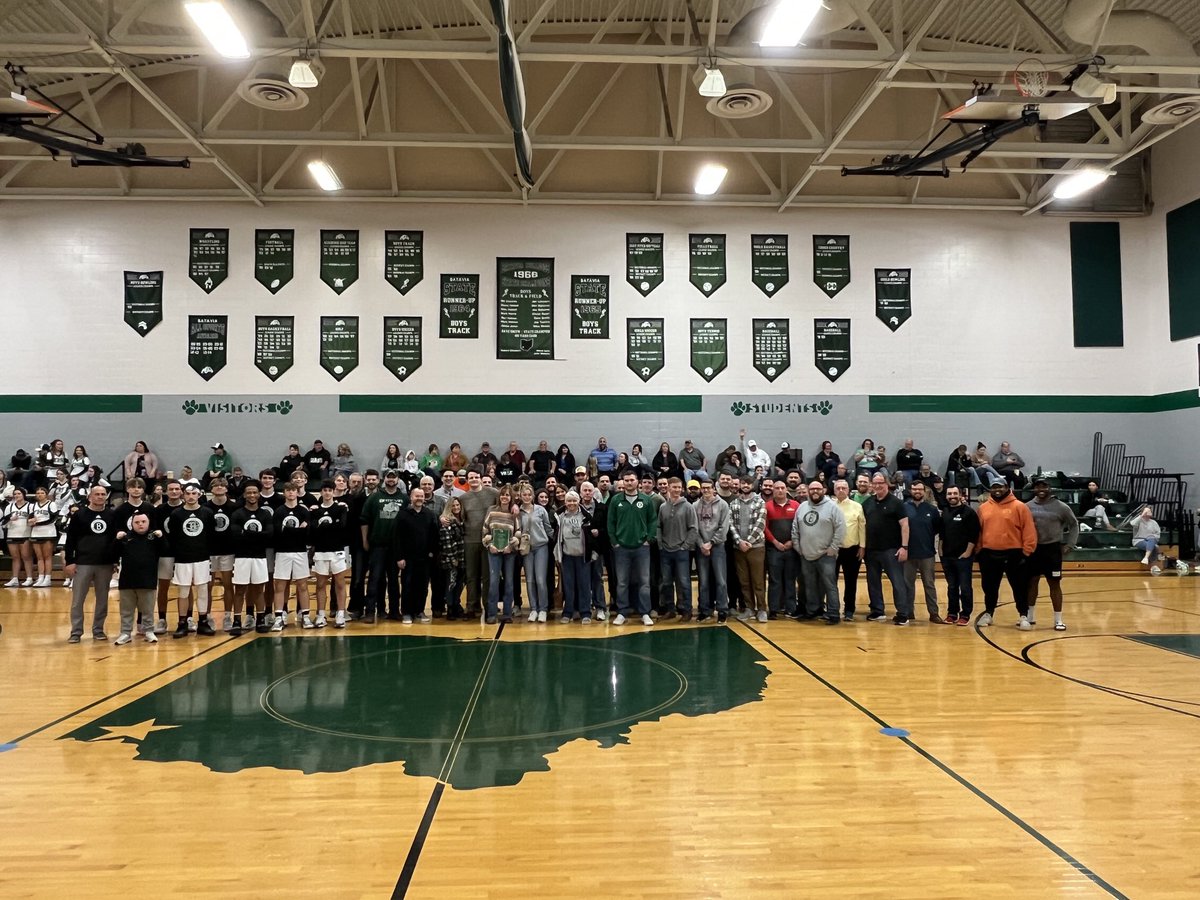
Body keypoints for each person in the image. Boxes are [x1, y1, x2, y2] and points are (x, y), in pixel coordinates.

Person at [976, 475, 1038, 629]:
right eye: (994, 487)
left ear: (1006, 487)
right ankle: (989, 613)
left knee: (1019, 587)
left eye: (1000, 487)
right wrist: (979, 551)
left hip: (1014, 554)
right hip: (989, 553)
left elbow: (1029, 530)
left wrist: (1027, 551)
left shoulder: (1020, 506)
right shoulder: (983, 508)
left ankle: (1023, 615)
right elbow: (978, 531)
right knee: (989, 587)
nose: (997, 490)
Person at [63, 484, 117, 643]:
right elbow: (70, 540)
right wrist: (70, 561)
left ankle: (98, 630)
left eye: (103, 494)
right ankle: (76, 632)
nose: (100, 497)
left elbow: (115, 540)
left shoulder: (112, 515)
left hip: (105, 564)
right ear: (90, 497)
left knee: (102, 599)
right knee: (78, 600)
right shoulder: (79, 515)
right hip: (83, 563)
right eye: (97, 494)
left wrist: (114, 560)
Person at [1025, 476, 1079, 632]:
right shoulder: (1027, 506)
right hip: (1034, 549)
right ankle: (1030, 617)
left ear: (1050, 488)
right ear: (1034, 488)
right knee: (1032, 582)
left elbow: (1074, 524)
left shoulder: (1061, 507)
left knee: (1054, 584)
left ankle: (1058, 619)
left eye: (1044, 486)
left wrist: (1070, 544)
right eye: (1038, 486)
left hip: (1052, 550)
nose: (1041, 489)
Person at [607, 469, 657, 627]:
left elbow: (653, 521)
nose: (629, 483)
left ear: (638, 482)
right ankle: (622, 612)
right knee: (622, 582)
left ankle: (645, 613)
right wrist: (615, 541)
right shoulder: (616, 500)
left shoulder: (646, 500)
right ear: (623, 482)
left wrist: (648, 539)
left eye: (632, 480)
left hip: (642, 548)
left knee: (644, 582)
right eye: (626, 480)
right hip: (621, 548)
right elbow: (611, 522)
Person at [792, 479, 846, 624]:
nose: (815, 491)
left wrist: (833, 548)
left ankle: (833, 613)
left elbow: (840, 529)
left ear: (824, 490)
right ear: (808, 491)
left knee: (829, 585)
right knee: (809, 585)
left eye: (818, 489)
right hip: (806, 554)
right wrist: (798, 547)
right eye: (812, 489)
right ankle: (813, 610)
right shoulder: (802, 506)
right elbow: (795, 529)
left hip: (825, 555)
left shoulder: (833, 507)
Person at [862, 473, 912, 626]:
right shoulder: (868, 503)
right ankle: (877, 610)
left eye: (880, 483)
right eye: (875, 483)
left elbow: (905, 525)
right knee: (873, 582)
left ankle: (903, 613)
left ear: (886, 484)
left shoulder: (896, 503)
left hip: (891, 550)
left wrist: (904, 547)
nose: (877, 486)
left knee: (897, 582)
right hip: (871, 550)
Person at [168, 484, 217, 638]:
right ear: (183, 495)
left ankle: (203, 621)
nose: (190, 496)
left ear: (199, 494)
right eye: (188, 493)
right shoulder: (176, 514)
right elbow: (173, 536)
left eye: (193, 493)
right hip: (183, 559)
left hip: (202, 558)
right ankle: (182, 623)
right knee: (183, 591)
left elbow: (211, 535)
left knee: (202, 589)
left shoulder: (207, 513)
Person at [360, 469, 407, 622]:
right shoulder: (374, 498)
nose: (391, 480)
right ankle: (370, 611)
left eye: (394, 477)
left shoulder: (404, 499)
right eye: (388, 477)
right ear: (384, 479)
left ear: (398, 479)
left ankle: (394, 611)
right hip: (377, 545)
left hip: (397, 547)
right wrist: (365, 540)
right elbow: (364, 520)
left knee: (394, 581)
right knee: (374, 579)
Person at [113, 511, 163, 645]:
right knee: (126, 610)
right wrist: (117, 540)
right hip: (127, 581)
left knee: (147, 609)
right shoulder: (125, 537)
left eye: (143, 522)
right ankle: (125, 633)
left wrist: (161, 537)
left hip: (147, 580)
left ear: (148, 523)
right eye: (137, 522)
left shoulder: (154, 537)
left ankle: (149, 631)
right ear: (132, 524)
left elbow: (166, 549)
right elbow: (112, 553)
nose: (140, 524)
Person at [231, 481, 274, 635]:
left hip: (259, 557)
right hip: (242, 557)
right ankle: (237, 621)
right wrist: (258, 536)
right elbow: (235, 535)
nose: (252, 495)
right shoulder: (237, 514)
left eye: (255, 492)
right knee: (240, 589)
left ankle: (260, 619)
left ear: (259, 494)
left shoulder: (265, 514)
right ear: (244, 494)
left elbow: (269, 535)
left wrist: (246, 533)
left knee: (258, 590)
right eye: (249, 492)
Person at [394, 487, 439, 624]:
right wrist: (399, 557)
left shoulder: (429, 514)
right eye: (416, 496)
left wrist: (432, 552)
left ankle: (419, 611)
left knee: (423, 586)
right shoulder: (402, 514)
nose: (419, 498)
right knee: (407, 585)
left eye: (421, 496)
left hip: (424, 558)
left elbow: (434, 536)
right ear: (411, 497)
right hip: (407, 558)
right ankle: (407, 612)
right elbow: (397, 537)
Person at [459, 469, 499, 620]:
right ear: (467, 480)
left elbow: (505, 503)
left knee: (487, 577)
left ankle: (489, 608)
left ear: (481, 479)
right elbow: (458, 516)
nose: (474, 479)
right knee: (471, 576)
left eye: (476, 477)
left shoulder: (493, 493)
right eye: (471, 478)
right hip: (470, 540)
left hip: (488, 541)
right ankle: (471, 607)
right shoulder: (463, 498)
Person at [309, 479, 349, 627]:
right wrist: (332, 526)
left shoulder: (340, 508)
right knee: (320, 584)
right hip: (320, 551)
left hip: (337, 550)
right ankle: (320, 614)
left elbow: (342, 526)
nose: (327, 492)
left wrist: (324, 528)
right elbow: (313, 530)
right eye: (324, 490)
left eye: (329, 490)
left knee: (339, 583)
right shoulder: (315, 510)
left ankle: (340, 614)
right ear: (321, 492)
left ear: (333, 492)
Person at [657, 476, 698, 620]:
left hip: (681, 551)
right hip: (666, 551)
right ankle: (670, 609)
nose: (676, 490)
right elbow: (658, 527)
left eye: (679, 487)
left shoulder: (688, 507)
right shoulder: (663, 507)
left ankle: (686, 610)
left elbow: (693, 529)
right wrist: (661, 544)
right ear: (668, 487)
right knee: (667, 582)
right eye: (674, 487)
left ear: (682, 489)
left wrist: (685, 546)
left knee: (684, 582)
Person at [903, 481, 944, 622]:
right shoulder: (904, 508)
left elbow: (937, 528)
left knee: (929, 584)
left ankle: (933, 613)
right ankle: (908, 612)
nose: (917, 491)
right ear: (911, 490)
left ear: (924, 491)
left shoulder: (931, 510)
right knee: (908, 585)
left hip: (927, 554)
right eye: (914, 489)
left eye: (920, 489)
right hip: (908, 554)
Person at [939, 485, 979, 626]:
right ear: (946, 496)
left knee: (965, 587)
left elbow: (974, 535)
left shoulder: (969, 512)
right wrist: (940, 551)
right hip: (947, 557)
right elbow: (942, 534)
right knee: (952, 587)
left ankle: (965, 614)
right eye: (949, 494)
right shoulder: (944, 512)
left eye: (955, 493)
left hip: (963, 558)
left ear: (960, 495)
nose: (952, 496)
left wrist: (967, 552)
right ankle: (952, 613)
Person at [729, 474, 767, 623]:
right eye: (743, 483)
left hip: (756, 547)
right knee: (744, 581)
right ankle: (749, 608)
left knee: (758, 580)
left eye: (748, 484)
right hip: (739, 548)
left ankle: (762, 609)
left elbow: (760, 524)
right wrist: (739, 542)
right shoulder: (734, 503)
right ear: (740, 485)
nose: (745, 486)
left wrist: (749, 542)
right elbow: (730, 524)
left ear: (753, 485)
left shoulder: (759, 502)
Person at [693, 480, 730, 622]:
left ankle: (722, 610)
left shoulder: (723, 505)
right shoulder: (695, 505)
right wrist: (702, 544)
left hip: (718, 547)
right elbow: (694, 527)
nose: (706, 490)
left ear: (714, 489)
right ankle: (705, 610)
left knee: (721, 580)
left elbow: (724, 527)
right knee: (703, 581)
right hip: (701, 548)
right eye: (703, 488)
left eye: (708, 488)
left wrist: (711, 543)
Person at [482, 487, 520, 624]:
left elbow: (518, 532)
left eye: (508, 495)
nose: (505, 497)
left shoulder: (514, 512)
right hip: (493, 551)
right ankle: (491, 614)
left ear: (511, 497)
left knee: (509, 582)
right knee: (493, 582)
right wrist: (489, 545)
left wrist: (511, 546)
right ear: (499, 496)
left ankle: (507, 613)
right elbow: (485, 530)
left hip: (509, 552)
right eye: (503, 495)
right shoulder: (492, 511)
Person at [151, 479, 184, 633]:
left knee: (185, 588)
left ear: (181, 490)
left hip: (184, 554)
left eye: (177, 489)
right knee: (163, 587)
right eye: (171, 489)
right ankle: (162, 620)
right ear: (165, 491)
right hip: (165, 554)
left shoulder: (187, 508)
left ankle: (186, 619)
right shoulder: (159, 510)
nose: (174, 492)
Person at [517, 483, 554, 622]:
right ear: (520, 496)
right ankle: (533, 608)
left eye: (529, 495)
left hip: (541, 547)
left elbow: (548, 528)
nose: (527, 497)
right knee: (530, 579)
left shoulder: (540, 510)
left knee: (540, 579)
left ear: (533, 496)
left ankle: (543, 609)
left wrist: (556, 540)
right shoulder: (518, 511)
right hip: (526, 548)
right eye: (524, 495)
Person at [764, 481, 799, 619]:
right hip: (774, 549)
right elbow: (764, 528)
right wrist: (775, 542)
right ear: (773, 490)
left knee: (790, 580)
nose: (779, 490)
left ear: (786, 490)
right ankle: (773, 609)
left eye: (782, 488)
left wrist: (792, 541)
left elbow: (798, 526)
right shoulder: (767, 506)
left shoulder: (796, 505)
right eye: (777, 488)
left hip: (791, 549)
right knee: (775, 580)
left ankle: (791, 608)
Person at [554, 490, 590, 623]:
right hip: (567, 556)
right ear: (565, 502)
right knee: (568, 586)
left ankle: (585, 612)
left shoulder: (586, 516)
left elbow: (591, 536)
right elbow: (556, 536)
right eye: (569, 501)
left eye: (574, 500)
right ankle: (568, 612)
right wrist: (557, 554)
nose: (572, 503)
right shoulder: (560, 516)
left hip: (582, 556)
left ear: (579, 501)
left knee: (584, 585)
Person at [205, 478, 237, 629]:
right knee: (208, 585)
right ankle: (207, 617)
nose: (218, 487)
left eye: (222, 485)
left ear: (226, 489)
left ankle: (227, 616)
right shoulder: (205, 508)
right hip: (209, 551)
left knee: (228, 584)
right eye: (215, 485)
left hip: (228, 550)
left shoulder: (234, 507)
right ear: (211, 489)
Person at [833, 479, 866, 621]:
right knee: (831, 581)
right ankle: (832, 608)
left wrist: (862, 546)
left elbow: (862, 527)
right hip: (833, 550)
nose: (841, 490)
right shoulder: (829, 506)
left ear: (848, 490)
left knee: (850, 581)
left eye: (843, 488)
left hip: (852, 549)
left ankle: (849, 610)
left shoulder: (857, 506)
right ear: (834, 490)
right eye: (838, 488)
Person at [439, 497, 466, 619]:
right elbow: (447, 542)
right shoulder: (447, 522)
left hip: (461, 558)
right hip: (451, 559)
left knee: (459, 584)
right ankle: (450, 607)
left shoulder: (461, 520)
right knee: (451, 584)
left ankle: (456, 604)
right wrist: (452, 558)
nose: (456, 507)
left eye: (457, 505)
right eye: (453, 506)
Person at [3, 487, 34, 587]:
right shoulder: (9, 507)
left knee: (26, 556)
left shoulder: (30, 506)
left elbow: (33, 520)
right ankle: (15, 578)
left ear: (23, 494)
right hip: (12, 534)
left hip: (25, 534)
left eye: (19, 494)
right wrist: (10, 519)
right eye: (15, 494)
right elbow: (3, 523)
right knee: (15, 557)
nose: (17, 496)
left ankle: (29, 578)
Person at [28, 486, 58, 587]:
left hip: (48, 532)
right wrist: (30, 521)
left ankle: (48, 578)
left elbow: (53, 519)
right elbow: (30, 518)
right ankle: (40, 577)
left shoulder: (52, 504)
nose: (40, 495)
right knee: (39, 557)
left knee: (47, 557)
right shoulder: (33, 505)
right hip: (36, 532)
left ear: (46, 494)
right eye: (38, 493)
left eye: (42, 493)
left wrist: (38, 523)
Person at [1132, 506, 1162, 570]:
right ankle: (1153, 565)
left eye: (1149, 511)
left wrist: (1150, 537)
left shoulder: (1154, 522)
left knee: (1151, 540)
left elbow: (1157, 535)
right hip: (1139, 540)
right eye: (1146, 511)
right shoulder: (1139, 521)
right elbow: (1132, 524)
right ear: (1142, 512)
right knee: (1154, 546)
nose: (1148, 512)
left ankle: (1146, 558)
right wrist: (1141, 516)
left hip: (1151, 540)